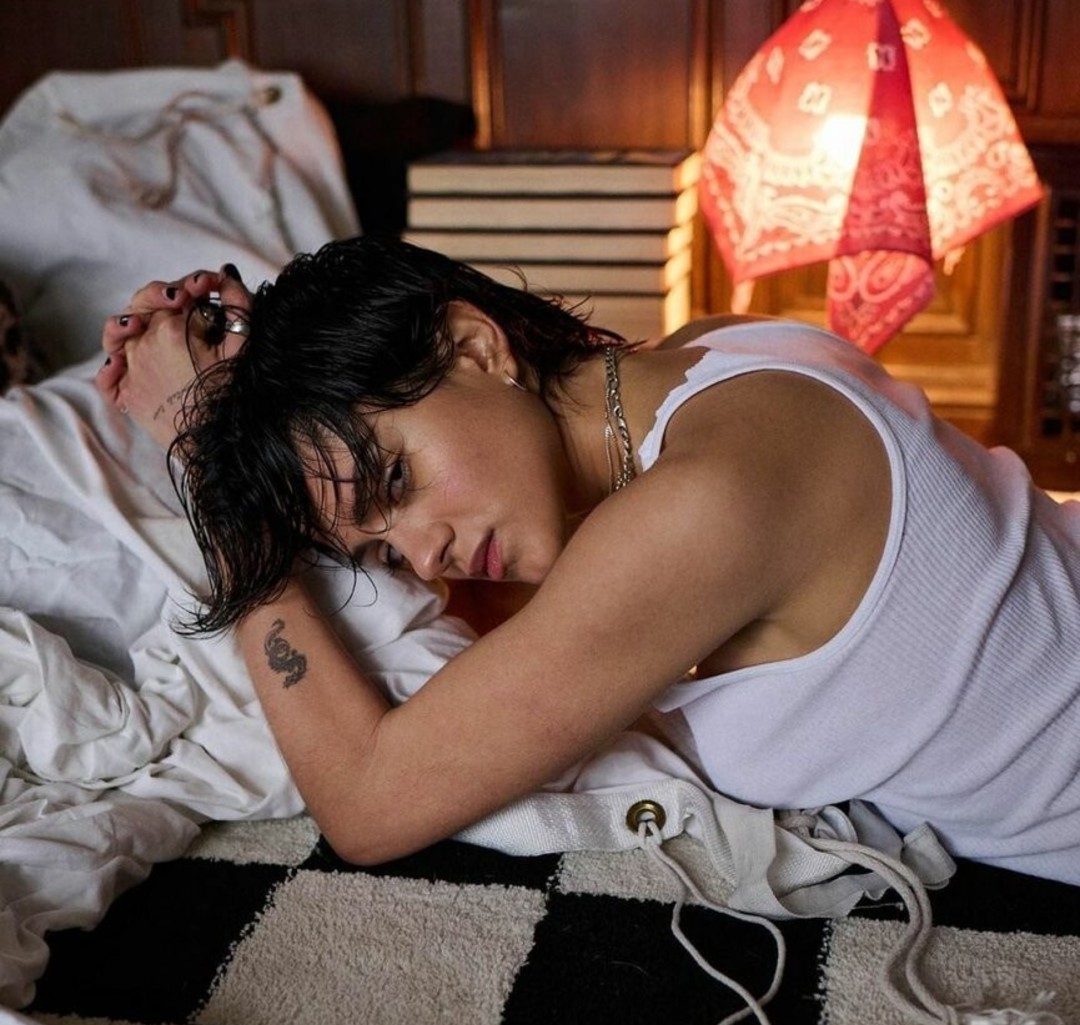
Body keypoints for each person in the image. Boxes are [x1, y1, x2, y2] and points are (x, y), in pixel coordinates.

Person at [95, 238, 1080, 884]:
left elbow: (366, 804)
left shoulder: (699, 506)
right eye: (381, 549)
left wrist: (209, 468)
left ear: (475, 345)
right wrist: (260, 399)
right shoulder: (717, 351)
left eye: (397, 478)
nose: (423, 554)